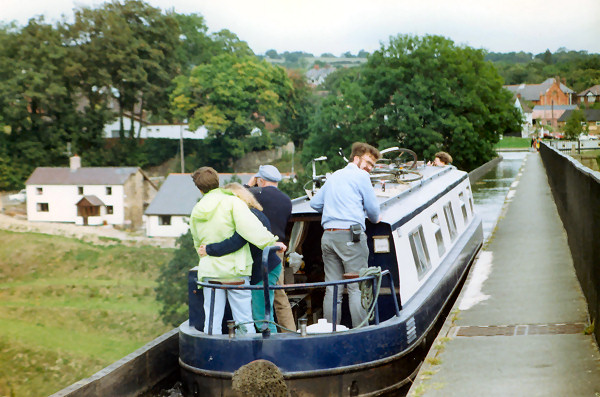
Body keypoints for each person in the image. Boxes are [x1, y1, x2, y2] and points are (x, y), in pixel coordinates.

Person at [189, 167, 280, 335]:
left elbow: (197, 242)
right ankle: (248, 355)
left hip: (210, 270)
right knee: (244, 319)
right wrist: (272, 242)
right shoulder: (232, 202)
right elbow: (250, 229)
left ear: (199, 188)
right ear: (218, 181)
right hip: (235, 270)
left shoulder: (196, 209)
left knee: (212, 320)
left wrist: (206, 256)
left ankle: (212, 355)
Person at [309, 142, 381, 327]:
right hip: (351, 237)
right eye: (367, 162)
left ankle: (332, 330)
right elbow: (373, 212)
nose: (369, 168)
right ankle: (360, 333)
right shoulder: (362, 177)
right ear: (356, 158)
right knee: (356, 287)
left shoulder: (334, 176)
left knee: (333, 288)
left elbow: (315, 204)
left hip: (328, 237)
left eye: (372, 165)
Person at [245, 165, 296, 332]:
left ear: (261, 180)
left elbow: (235, 197)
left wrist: (248, 185)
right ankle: (289, 333)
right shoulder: (287, 201)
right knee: (279, 295)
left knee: (255, 294)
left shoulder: (254, 194)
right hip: (277, 253)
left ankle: (264, 334)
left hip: (257, 251)